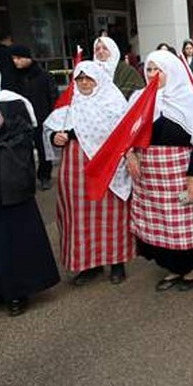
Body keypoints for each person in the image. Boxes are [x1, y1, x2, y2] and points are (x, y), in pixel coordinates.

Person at [0, 56, 59, 316]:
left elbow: (16, 141)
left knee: (9, 243)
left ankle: (17, 292)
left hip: (5, 186)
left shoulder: (12, 105)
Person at [125, 50, 193, 291]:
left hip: (180, 169)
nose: (153, 74)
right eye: (148, 69)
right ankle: (171, 268)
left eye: (158, 70)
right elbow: (126, 133)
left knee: (182, 224)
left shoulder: (190, 99)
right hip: (149, 175)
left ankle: (188, 270)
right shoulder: (138, 98)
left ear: (172, 71)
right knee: (160, 224)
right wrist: (130, 153)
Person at [43, 61, 133, 286]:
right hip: (75, 167)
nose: (83, 83)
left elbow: (125, 135)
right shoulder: (69, 105)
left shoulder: (113, 104)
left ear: (98, 80)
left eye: (88, 78)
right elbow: (51, 131)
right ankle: (89, 265)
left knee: (112, 216)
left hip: (107, 167)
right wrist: (55, 137)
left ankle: (117, 263)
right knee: (79, 217)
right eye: (79, 79)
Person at [11, 45, 58, 190]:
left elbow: (53, 96)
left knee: (43, 150)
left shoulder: (43, 75)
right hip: (21, 120)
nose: (16, 62)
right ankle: (27, 179)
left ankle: (44, 176)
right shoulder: (13, 76)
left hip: (42, 118)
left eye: (19, 58)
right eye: (13, 59)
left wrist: (53, 116)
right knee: (23, 152)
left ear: (28, 58)